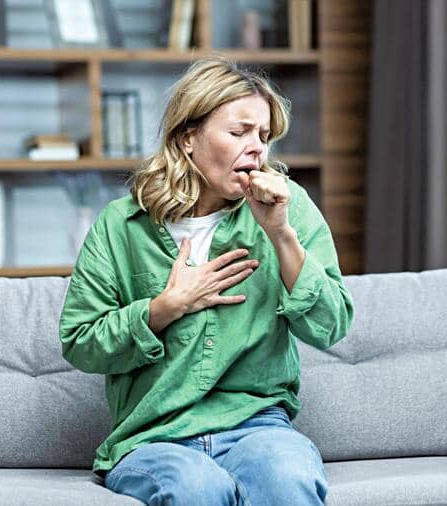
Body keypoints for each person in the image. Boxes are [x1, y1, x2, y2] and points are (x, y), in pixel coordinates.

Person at [59, 55, 354, 506]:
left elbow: (331, 325)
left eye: (263, 136)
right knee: (197, 488)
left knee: (286, 479)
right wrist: (163, 308)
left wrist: (280, 235)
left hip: (258, 426)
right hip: (154, 437)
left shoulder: (287, 208)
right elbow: (80, 341)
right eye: (239, 132)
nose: (256, 148)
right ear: (188, 138)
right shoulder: (121, 225)